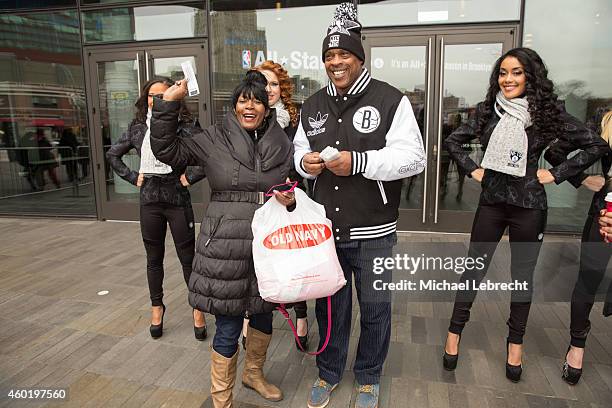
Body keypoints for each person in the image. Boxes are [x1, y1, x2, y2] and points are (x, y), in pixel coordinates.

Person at [441, 48, 609, 383]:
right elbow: (454, 141)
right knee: (473, 269)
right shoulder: (489, 111)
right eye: (503, 73)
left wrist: (556, 173)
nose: (508, 79)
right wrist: (475, 171)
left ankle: (515, 343)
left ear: (530, 77)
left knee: (522, 277)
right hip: (492, 201)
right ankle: (453, 334)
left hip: (529, 205)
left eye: (516, 72)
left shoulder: (548, 114)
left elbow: (596, 146)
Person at [293, 4, 426, 408]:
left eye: (343, 55)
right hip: (327, 233)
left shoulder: (390, 99)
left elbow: (414, 157)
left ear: (359, 57)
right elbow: (299, 149)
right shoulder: (313, 104)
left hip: (375, 233)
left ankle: (368, 376)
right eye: (329, 57)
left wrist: (360, 162)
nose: (336, 62)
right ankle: (329, 373)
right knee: (331, 313)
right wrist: (306, 163)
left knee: (375, 311)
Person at [150, 70, 295, 407]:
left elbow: (289, 184)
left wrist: (289, 196)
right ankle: (221, 398)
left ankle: (254, 374)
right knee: (228, 325)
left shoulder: (281, 142)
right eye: (244, 100)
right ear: (234, 106)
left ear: (267, 107)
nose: (250, 106)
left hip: (266, 243)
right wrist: (167, 105)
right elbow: (167, 150)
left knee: (262, 313)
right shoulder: (214, 137)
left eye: (257, 101)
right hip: (224, 245)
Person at [106, 77, 208, 341]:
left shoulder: (185, 125)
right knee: (154, 259)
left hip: (176, 197)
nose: (157, 100)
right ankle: (157, 307)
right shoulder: (138, 127)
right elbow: (113, 154)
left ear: (175, 97)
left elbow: (208, 154)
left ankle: (197, 307)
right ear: (146, 98)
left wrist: (190, 176)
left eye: (163, 95)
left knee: (188, 258)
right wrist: (132, 177)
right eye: (153, 96)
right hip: (150, 198)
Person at [238, 60, 309, 352]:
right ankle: (248, 316)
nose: (269, 89)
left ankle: (301, 316)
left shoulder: (295, 121)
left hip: (288, 197)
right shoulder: (246, 119)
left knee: (293, 261)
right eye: (262, 83)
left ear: (283, 89)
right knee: (254, 262)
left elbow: (301, 160)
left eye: (274, 84)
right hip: (256, 202)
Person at [545, 108, 612, 384]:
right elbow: (554, 153)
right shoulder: (604, 122)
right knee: (589, 278)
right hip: (605, 214)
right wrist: (582, 179)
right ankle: (577, 346)